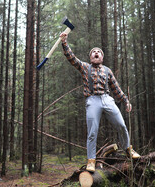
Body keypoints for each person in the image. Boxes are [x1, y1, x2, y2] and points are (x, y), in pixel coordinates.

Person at [60, 32, 140, 172]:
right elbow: (72, 58)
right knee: (92, 131)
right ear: (90, 57)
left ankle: (128, 149)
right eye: (93, 52)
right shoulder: (85, 67)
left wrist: (126, 101)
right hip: (92, 100)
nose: (96, 53)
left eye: (99, 52)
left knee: (121, 125)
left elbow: (116, 88)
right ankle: (91, 160)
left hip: (107, 99)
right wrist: (64, 43)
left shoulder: (107, 71)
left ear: (102, 57)